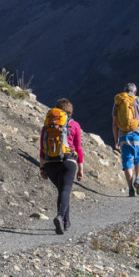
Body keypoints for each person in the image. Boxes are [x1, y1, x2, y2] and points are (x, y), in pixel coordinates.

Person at [39, 98, 84, 234]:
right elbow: (78, 148)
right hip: (68, 162)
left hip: (50, 163)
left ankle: (66, 222)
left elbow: (42, 148)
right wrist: (81, 168)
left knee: (62, 191)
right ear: (70, 112)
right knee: (65, 190)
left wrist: (42, 168)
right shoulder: (75, 125)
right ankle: (60, 216)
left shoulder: (47, 126)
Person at [111, 83, 139, 196]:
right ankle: (138, 179)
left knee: (127, 161)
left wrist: (116, 140)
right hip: (137, 134)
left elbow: (114, 124)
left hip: (123, 136)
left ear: (124, 91)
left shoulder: (118, 102)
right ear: (134, 92)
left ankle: (130, 189)